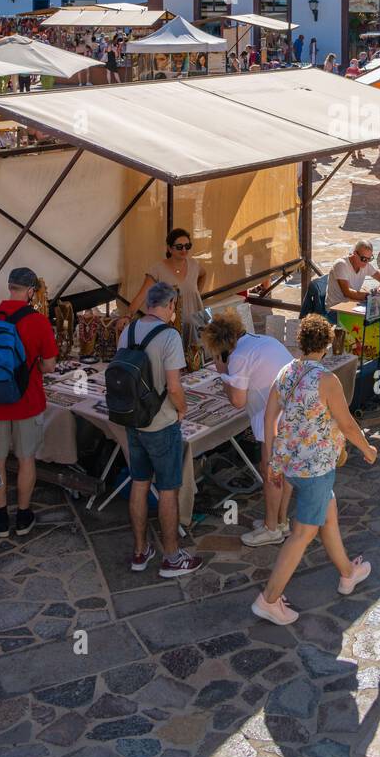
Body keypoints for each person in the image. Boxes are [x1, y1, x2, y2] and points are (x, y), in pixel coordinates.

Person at [251, 314, 377, 626]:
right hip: (315, 469)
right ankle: (268, 599)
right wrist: (367, 449)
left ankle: (348, 572)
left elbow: (269, 420)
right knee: (302, 533)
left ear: (300, 342)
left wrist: (270, 462)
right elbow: (347, 424)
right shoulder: (327, 381)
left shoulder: (286, 372)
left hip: (290, 466)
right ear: (326, 345)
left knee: (327, 515)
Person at [115, 282, 202, 578]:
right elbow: (174, 387)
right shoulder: (169, 336)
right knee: (167, 489)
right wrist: (182, 409)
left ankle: (140, 551)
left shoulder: (128, 330)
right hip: (161, 423)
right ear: (169, 305)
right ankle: (171, 556)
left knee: (139, 483)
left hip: (133, 420)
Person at [0, 266, 58, 538]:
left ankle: (0, 517)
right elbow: (50, 365)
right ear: (30, 292)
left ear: (10, 287)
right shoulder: (39, 321)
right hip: (27, 402)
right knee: (26, 459)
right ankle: (23, 514)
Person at [200, 310, 294, 547]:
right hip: (293, 410)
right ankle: (280, 522)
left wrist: (223, 373)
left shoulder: (239, 356)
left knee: (270, 473)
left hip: (275, 418)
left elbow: (238, 401)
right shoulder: (263, 341)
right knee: (281, 474)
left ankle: (271, 529)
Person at [127, 227, 206, 346]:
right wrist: (127, 316)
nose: (184, 249)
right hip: (172, 327)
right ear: (169, 248)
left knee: (200, 360)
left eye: (187, 246)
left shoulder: (194, 265)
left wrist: (196, 295)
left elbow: (203, 274)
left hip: (198, 322)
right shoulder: (158, 270)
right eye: (179, 247)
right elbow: (141, 296)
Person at [325, 240, 380, 311]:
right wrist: (371, 296)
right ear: (355, 253)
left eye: (369, 259)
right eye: (364, 259)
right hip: (335, 310)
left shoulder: (365, 265)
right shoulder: (341, 264)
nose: (366, 262)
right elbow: (347, 292)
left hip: (352, 306)